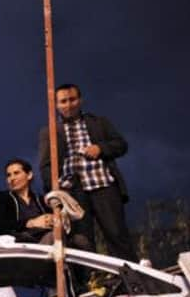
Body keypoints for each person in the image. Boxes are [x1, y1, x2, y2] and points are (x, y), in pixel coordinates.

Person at [38, 83, 136, 261]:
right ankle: (92, 281)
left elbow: (121, 144)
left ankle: (131, 276)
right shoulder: (50, 131)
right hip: (73, 192)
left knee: (116, 233)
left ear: (80, 100)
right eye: (63, 101)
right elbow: (45, 166)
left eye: (72, 99)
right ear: (56, 105)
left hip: (102, 184)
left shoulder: (98, 122)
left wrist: (100, 148)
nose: (69, 105)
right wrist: (54, 193)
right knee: (82, 241)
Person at [0, 158, 54, 243]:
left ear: (29, 175)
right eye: (8, 175)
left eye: (16, 173)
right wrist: (30, 223)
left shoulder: (42, 201)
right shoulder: (2, 198)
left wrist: (51, 219)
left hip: (42, 239)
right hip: (18, 243)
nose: (12, 178)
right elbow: (0, 225)